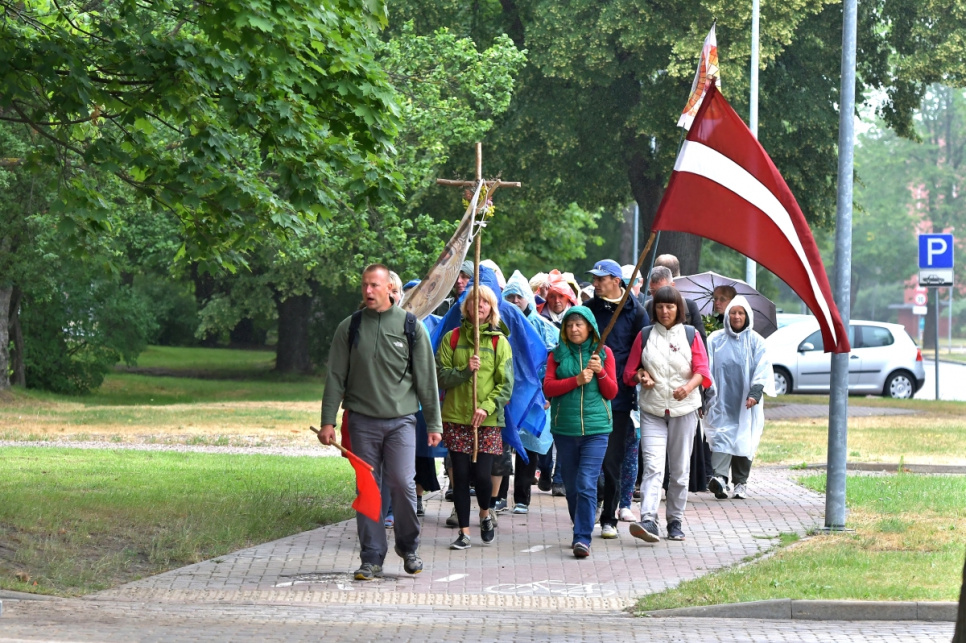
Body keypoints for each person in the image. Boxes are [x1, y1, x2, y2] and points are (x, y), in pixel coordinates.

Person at [318, 264, 442, 581]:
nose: (368, 290)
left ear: (390, 289)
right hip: (362, 421)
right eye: (364, 285)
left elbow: (427, 379)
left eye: (374, 285)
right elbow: (335, 376)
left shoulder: (411, 327)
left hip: (401, 422)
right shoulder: (350, 327)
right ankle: (371, 557)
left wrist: (433, 423)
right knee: (368, 490)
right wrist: (327, 421)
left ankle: (408, 547)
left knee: (402, 482)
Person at [624, 286, 712, 543]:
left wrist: (688, 387)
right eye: (660, 306)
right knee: (653, 467)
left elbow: (703, 371)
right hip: (652, 410)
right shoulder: (645, 335)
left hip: (684, 410)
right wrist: (641, 375)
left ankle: (675, 520)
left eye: (670, 306)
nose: (664, 311)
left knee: (680, 470)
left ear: (678, 309)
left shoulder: (690, 334)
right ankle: (649, 520)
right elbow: (629, 373)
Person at [436, 285, 514, 550]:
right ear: (465, 307)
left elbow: (506, 384)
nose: (479, 305)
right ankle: (464, 532)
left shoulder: (499, 342)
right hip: (457, 418)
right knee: (459, 475)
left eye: (485, 302)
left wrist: (486, 407)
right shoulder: (452, 338)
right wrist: (464, 370)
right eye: (474, 301)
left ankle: (484, 513)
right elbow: (441, 376)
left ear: (492, 309)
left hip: (487, 422)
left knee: (482, 476)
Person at [543, 306, 618, 558]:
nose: (574, 329)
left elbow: (611, 392)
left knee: (586, 482)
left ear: (590, 328)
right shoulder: (557, 355)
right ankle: (580, 524)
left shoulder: (603, 353)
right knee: (572, 486)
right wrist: (576, 380)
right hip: (565, 429)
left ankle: (582, 538)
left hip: (597, 430)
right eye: (569, 325)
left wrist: (601, 372)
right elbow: (548, 388)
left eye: (579, 325)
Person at [586, 258, 650, 540]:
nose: (595, 283)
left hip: (619, 397)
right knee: (589, 460)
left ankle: (609, 517)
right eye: (594, 279)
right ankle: (590, 505)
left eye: (600, 279)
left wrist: (638, 374)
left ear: (616, 281)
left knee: (612, 460)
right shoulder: (588, 309)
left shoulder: (636, 312)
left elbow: (644, 351)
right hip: (588, 394)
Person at [646, 264, 711, 493]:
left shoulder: (690, 309)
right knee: (654, 455)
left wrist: (695, 387)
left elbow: (702, 354)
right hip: (655, 394)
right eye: (654, 294)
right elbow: (641, 349)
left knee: (682, 452)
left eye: (663, 292)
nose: (661, 304)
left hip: (685, 390)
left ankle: (683, 485)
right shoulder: (648, 308)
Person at [704, 295, 775, 500]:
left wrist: (755, 393)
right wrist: (707, 395)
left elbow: (762, 368)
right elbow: (707, 367)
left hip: (746, 403)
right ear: (727, 315)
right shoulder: (715, 339)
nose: (736, 316)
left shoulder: (756, 341)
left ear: (747, 316)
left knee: (744, 438)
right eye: (733, 312)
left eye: (741, 313)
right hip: (721, 401)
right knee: (720, 436)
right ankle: (720, 479)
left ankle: (740, 483)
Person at [503, 270, 559, 514]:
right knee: (500, 445)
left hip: (534, 395)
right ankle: (498, 495)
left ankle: (522, 497)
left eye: (519, 296)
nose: (515, 301)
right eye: (510, 296)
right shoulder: (498, 323)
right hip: (505, 392)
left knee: (529, 446)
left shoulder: (543, 327)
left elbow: (552, 360)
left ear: (528, 297)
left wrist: (546, 394)